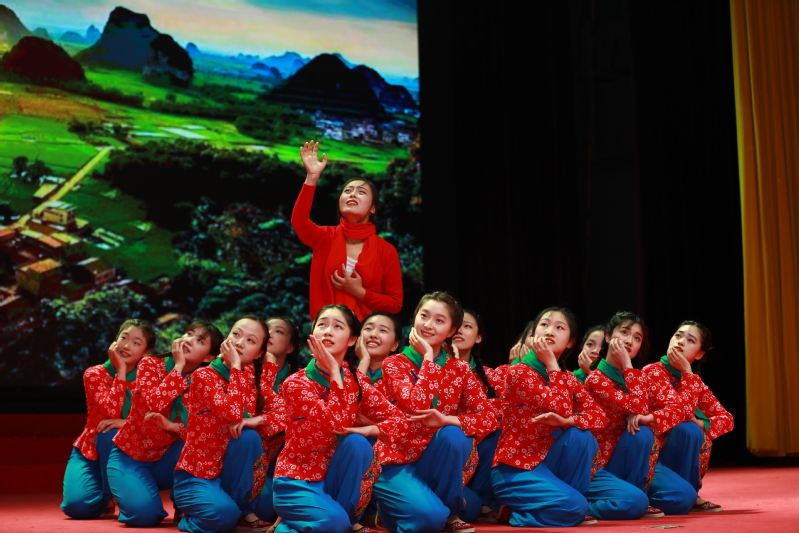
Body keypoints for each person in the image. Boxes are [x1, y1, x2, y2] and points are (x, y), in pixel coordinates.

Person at [270, 304, 409, 533]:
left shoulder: (355, 382)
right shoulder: (295, 383)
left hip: (336, 479)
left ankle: (299, 522)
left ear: (352, 340)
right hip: (298, 479)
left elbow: (400, 422)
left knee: (357, 443)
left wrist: (367, 430)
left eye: (337, 326)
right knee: (336, 525)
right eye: (322, 325)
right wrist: (335, 373)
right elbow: (337, 423)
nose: (327, 331)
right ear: (312, 334)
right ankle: (315, 519)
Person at [372, 291, 497, 533]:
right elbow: (417, 404)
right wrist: (429, 358)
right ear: (414, 318)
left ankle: (447, 511)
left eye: (439, 320)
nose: (428, 325)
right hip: (396, 461)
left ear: (451, 331)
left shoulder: (460, 368)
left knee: (454, 434)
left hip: (436, 462)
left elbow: (489, 418)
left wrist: (447, 419)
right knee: (430, 520)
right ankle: (391, 510)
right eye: (424, 316)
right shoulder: (394, 363)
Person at [490, 307, 605, 528]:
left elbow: (599, 417)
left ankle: (569, 506)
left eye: (559, 327)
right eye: (544, 325)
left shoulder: (567, 378)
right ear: (533, 334)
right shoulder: (519, 372)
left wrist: (568, 421)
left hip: (548, 464)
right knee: (576, 508)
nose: (550, 331)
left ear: (570, 342)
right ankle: (516, 514)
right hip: (515, 469)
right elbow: (560, 406)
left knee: (580, 435)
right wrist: (552, 364)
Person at [107, 321, 222, 527]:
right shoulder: (150, 364)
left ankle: (184, 503)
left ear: (209, 358)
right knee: (144, 517)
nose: (189, 340)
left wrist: (172, 427)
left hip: (169, 459)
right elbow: (155, 403)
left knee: (198, 443)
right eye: (188, 334)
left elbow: (202, 430)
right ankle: (131, 492)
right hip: (131, 455)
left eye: (199, 340)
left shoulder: (204, 380)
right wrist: (178, 367)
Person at [584, 311, 697, 516]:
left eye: (637, 338)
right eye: (624, 332)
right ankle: (587, 507)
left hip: (642, 459)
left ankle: (636, 498)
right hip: (605, 464)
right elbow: (635, 406)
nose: (629, 341)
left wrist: (651, 417)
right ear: (608, 337)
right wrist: (628, 365)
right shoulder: (596, 380)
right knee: (641, 432)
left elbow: (681, 409)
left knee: (684, 497)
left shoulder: (640, 378)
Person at [172, 315, 273, 533]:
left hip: (231, 472)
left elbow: (286, 411)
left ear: (259, 353)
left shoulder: (253, 379)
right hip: (198, 474)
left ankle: (241, 512)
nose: (239, 343)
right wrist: (236, 366)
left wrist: (256, 419)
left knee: (269, 507)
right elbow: (233, 412)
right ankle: (187, 517)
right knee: (223, 518)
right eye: (236, 334)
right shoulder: (203, 375)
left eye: (250, 340)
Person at [292, 140, 403, 321]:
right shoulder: (325, 237)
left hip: (365, 335)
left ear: (373, 208)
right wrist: (311, 178)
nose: (352, 194)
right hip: (326, 332)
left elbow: (395, 304)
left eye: (361, 192)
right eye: (348, 191)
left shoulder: (386, 251)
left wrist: (360, 292)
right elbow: (299, 221)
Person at [61, 318, 156, 519]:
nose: (127, 346)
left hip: (132, 449)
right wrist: (120, 371)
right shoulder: (95, 373)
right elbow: (111, 411)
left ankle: (120, 493)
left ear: (146, 352)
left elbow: (154, 418)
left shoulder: (149, 378)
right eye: (124, 338)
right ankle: (107, 497)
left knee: (113, 431)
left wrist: (126, 423)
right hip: (92, 447)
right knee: (75, 506)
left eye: (136, 342)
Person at [642, 320, 734, 512]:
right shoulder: (652, 372)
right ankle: (659, 493)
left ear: (699, 354)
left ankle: (689, 492)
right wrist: (687, 373)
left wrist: (701, 422)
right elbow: (681, 413)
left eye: (690, 340)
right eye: (678, 335)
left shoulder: (694, 381)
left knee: (693, 429)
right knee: (686, 427)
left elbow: (727, 420)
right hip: (652, 456)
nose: (681, 341)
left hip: (675, 455)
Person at [450, 309, 504, 523]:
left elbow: (498, 413)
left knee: (497, 433)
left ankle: (482, 500)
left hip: (478, 452)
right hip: (443, 450)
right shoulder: (430, 369)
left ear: (478, 337)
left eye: (467, 326)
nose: (459, 330)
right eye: (456, 325)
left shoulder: (490, 376)